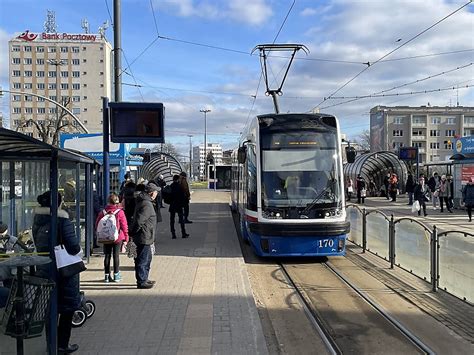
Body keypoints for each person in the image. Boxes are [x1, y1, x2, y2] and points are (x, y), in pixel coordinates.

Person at [32, 191, 81, 353]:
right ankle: (62, 345)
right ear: (58, 203)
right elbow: (73, 246)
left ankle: (50, 344)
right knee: (67, 308)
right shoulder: (62, 220)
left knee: (50, 309)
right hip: (64, 270)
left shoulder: (38, 220)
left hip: (45, 268)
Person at [130, 182, 159, 289]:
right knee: (143, 259)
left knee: (146, 258)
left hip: (146, 235)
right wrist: (134, 232)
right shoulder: (146, 204)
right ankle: (142, 281)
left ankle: (145, 278)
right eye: (156, 192)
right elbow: (139, 221)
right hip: (144, 236)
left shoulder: (145, 202)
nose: (157, 194)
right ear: (151, 193)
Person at [95, 193, 129, 283]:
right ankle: (116, 275)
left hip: (106, 238)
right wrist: (126, 238)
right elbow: (124, 226)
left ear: (108, 202)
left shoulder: (103, 212)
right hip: (117, 237)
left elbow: (97, 224)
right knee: (116, 256)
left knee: (107, 256)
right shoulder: (120, 212)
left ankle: (106, 276)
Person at [169, 174, 189, 239]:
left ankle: (173, 234)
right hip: (179, 205)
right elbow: (182, 196)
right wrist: (183, 204)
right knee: (181, 219)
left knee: (172, 220)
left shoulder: (171, 186)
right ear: (177, 179)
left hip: (172, 205)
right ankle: (183, 233)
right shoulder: (180, 187)